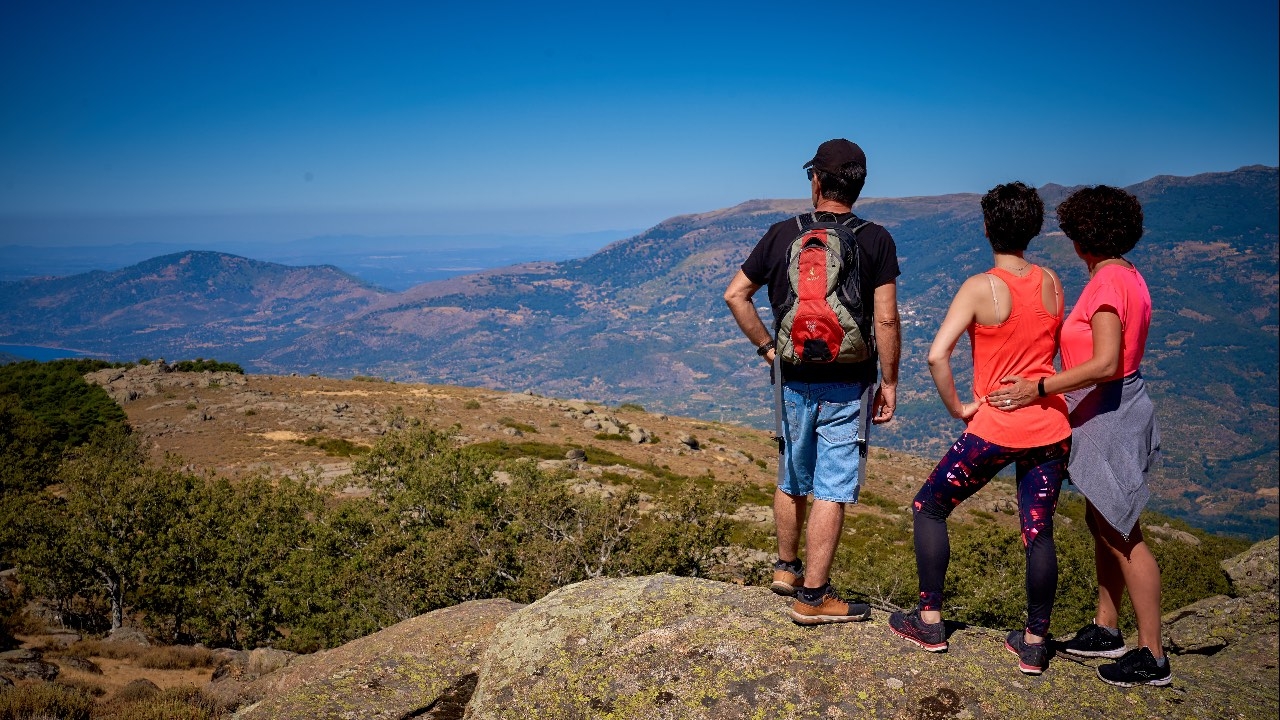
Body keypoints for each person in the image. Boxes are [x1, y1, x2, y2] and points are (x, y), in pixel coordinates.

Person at [987, 185, 1169, 687]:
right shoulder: (1127, 274)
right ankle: (1106, 627)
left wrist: (1038, 388)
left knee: (1124, 532)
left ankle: (1152, 655)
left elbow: (1106, 363)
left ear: (1082, 235)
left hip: (1111, 414)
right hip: (1113, 408)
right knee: (1103, 523)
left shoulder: (1109, 282)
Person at [887, 182, 1071, 676]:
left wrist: (959, 408)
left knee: (929, 507)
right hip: (1051, 426)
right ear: (1033, 230)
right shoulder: (1052, 280)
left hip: (996, 426)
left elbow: (935, 355)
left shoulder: (980, 287)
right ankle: (1034, 643)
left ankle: (929, 620)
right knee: (1037, 531)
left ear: (987, 227)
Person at [724, 138, 901, 625]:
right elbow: (885, 321)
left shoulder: (783, 233)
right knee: (832, 485)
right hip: (850, 383)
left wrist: (767, 349)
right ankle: (815, 597)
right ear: (859, 185)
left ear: (817, 180)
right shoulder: (876, 239)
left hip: (791, 377)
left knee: (791, 471)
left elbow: (736, 295)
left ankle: (786, 570)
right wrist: (890, 381)